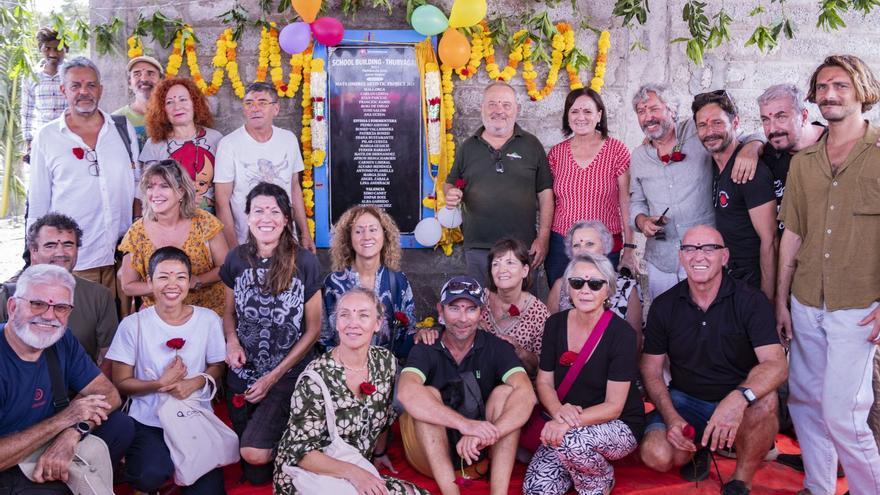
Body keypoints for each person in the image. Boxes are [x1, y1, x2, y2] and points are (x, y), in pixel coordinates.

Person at [776, 54, 880, 495]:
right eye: (821, 87)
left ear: (862, 90)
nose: (829, 94)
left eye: (839, 85)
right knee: (804, 404)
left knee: (844, 414)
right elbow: (793, 236)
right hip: (804, 302)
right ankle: (818, 488)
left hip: (857, 306)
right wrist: (781, 300)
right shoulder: (804, 162)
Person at [639, 226, 787, 495]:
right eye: (690, 249)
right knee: (657, 455)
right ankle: (702, 446)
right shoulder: (665, 305)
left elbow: (776, 364)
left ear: (725, 256)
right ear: (681, 256)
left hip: (737, 399)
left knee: (765, 399)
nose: (699, 256)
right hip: (685, 400)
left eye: (709, 248)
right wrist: (672, 418)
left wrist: (738, 399)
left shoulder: (750, 301)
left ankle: (741, 481)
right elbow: (650, 370)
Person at [273, 287, 428, 495]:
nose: (353, 323)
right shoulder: (315, 378)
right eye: (345, 315)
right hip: (310, 476)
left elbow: (384, 415)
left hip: (354, 465)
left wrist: (379, 453)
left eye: (363, 315)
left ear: (377, 324)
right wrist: (355, 474)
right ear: (336, 323)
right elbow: (302, 454)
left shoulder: (385, 362)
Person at [220, 182, 322, 484]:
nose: (267, 218)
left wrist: (273, 377)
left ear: (287, 219)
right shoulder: (235, 259)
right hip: (246, 371)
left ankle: (306, 441)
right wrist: (232, 341)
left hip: (287, 372)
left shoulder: (304, 261)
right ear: (247, 216)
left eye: (275, 211)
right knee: (254, 473)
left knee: (254, 453)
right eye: (259, 211)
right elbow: (229, 312)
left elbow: (314, 328)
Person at [0, 264, 133, 494]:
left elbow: (109, 395)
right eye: (37, 303)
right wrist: (64, 420)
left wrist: (72, 434)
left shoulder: (61, 341)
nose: (49, 316)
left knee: (121, 426)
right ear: (12, 307)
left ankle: (62, 476)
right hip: (8, 461)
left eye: (60, 307)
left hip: (49, 440)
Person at [397, 276, 535, 495]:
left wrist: (486, 433)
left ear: (481, 314)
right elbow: (405, 392)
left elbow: (527, 395)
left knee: (506, 393)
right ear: (440, 311)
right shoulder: (427, 346)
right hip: (430, 457)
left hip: (476, 453)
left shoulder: (496, 346)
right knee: (427, 394)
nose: (463, 318)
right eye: (455, 308)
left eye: (471, 309)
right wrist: (465, 425)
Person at [107, 247, 226, 494]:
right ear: (149, 281)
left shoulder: (208, 320)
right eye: (163, 277)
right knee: (148, 475)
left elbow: (217, 365)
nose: (172, 284)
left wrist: (195, 382)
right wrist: (159, 384)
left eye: (180, 277)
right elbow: (121, 382)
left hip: (193, 416)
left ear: (190, 281)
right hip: (149, 419)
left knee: (208, 490)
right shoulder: (133, 325)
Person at [523, 254, 644, 495]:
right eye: (577, 282)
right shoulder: (555, 324)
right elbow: (544, 381)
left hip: (616, 424)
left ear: (608, 290)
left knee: (571, 443)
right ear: (568, 287)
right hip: (565, 420)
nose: (585, 290)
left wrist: (565, 424)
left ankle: (598, 481)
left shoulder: (622, 335)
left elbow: (614, 407)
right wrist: (558, 412)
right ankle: (576, 465)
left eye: (595, 284)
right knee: (536, 490)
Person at [629, 83, 762, 300]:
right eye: (641, 112)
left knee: (710, 323)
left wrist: (753, 146)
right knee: (665, 324)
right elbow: (636, 200)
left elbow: (744, 134)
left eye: (654, 109)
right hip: (661, 261)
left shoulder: (698, 130)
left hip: (706, 255)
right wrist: (642, 221)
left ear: (671, 109)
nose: (647, 117)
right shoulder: (639, 156)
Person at [27, 56, 138, 299]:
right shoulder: (47, 137)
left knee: (119, 331)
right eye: (76, 86)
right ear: (63, 90)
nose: (84, 92)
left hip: (122, 259)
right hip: (74, 262)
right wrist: (36, 258)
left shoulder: (122, 128)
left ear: (100, 89)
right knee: (78, 331)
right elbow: (38, 202)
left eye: (90, 85)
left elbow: (137, 186)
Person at [443, 82, 554, 288]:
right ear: (482, 109)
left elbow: (545, 193)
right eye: (492, 104)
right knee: (481, 310)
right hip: (478, 247)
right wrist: (451, 193)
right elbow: (450, 183)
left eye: (506, 105)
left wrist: (543, 237)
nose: (499, 110)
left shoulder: (532, 144)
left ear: (516, 110)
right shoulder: (468, 147)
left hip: (523, 249)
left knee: (524, 311)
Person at [0, 214, 118, 374]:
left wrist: (88, 394)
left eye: (68, 245)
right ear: (33, 251)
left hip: (79, 391)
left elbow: (110, 358)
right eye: (50, 246)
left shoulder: (99, 296)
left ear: (77, 250)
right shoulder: (9, 295)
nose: (60, 252)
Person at [545, 88, 635, 286]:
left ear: (599, 115)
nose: (581, 117)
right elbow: (547, 203)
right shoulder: (556, 154)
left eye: (587, 111)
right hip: (562, 245)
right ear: (567, 116)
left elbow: (626, 202)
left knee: (600, 304)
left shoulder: (616, 150)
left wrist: (629, 248)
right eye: (574, 111)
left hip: (604, 245)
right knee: (561, 303)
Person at [692, 90, 777, 300]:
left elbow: (770, 240)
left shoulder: (750, 171)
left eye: (717, 123)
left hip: (753, 282)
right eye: (702, 125)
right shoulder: (711, 164)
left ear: (735, 122)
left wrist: (766, 301)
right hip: (728, 279)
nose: (710, 131)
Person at [119, 159, 228, 316]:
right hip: (160, 316)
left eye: (164, 186)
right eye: (150, 187)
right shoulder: (137, 232)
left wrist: (197, 280)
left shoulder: (204, 222)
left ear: (181, 191)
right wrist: (164, 286)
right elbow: (128, 286)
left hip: (207, 313)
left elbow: (225, 268)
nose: (155, 194)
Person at [214, 82, 315, 252]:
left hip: (286, 240)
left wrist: (305, 233)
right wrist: (233, 249)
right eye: (249, 103)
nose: (255, 108)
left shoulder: (288, 140)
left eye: (262, 102)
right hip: (247, 243)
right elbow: (221, 201)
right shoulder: (229, 144)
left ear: (275, 109)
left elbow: (295, 188)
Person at [321, 205, 417, 359]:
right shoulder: (333, 284)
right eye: (358, 231)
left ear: (384, 235)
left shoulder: (398, 281)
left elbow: (410, 330)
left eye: (373, 230)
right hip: (343, 370)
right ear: (349, 238)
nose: (366, 237)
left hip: (388, 371)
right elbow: (324, 336)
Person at [547, 220, 643, 338]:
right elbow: (549, 333)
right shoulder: (561, 285)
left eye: (589, 244)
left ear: (604, 247)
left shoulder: (627, 288)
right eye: (576, 245)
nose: (582, 251)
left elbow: (635, 340)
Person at [141, 77, 222, 213]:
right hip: (170, 222)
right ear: (162, 109)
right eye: (169, 102)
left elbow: (224, 189)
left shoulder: (216, 139)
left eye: (183, 99)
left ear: (194, 103)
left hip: (210, 221)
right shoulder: (154, 144)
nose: (177, 106)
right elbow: (148, 190)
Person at [756, 84, 827, 236]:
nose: (772, 129)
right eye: (765, 120)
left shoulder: (835, 145)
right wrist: (750, 148)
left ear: (804, 116)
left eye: (781, 117)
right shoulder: (766, 155)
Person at [480, 238, 549, 377]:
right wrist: (470, 323)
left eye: (510, 263)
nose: (502, 270)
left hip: (519, 383)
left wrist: (519, 351)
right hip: (480, 378)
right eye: (496, 264)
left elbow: (542, 367)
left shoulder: (539, 313)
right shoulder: (478, 300)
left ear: (524, 271)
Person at [20, 27, 68, 162]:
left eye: (58, 48)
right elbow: (27, 111)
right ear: (41, 49)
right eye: (47, 48)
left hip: (69, 137)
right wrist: (29, 141)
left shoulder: (71, 74)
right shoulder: (31, 76)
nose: (53, 53)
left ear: (65, 50)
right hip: (42, 139)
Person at [113, 55, 164, 150]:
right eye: (137, 74)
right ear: (129, 83)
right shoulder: (116, 120)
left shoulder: (173, 115)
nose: (144, 79)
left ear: (161, 81)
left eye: (151, 73)